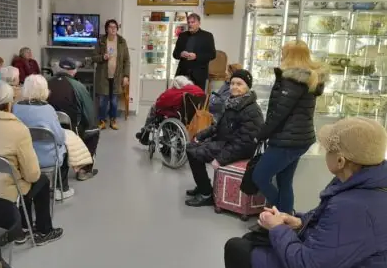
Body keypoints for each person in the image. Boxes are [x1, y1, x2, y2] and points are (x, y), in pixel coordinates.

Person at [223, 117, 387, 268]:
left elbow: (308, 267)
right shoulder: (367, 184)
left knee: (237, 248)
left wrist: (278, 228)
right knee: (255, 240)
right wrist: (299, 221)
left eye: (328, 150)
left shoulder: (352, 206)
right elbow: (333, 225)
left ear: (340, 161)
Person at [0, 81, 63, 246]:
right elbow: (32, 175)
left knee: (20, 179)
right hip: (8, 195)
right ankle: (44, 230)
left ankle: (22, 228)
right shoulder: (18, 129)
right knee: (40, 180)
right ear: (9, 103)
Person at [252, 41, 327, 214]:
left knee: (260, 176)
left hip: (286, 139)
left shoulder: (292, 80)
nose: (281, 56)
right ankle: (285, 219)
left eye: (283, 52)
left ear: (290, 55)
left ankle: (282, 215)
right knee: (285, 182)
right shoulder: (309, 79)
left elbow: (278, 114)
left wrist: (261, 134)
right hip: (301, 138)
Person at [185, 69, 263, 207]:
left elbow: (244, 142)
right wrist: (200, 136)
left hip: (239, 148)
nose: (234, 87)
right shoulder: (232, 102)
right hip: (225, 142)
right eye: (232, 83)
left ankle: (206, 193)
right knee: (191, 146)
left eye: (239, 84)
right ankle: (202, 185)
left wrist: (221, 159)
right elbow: (217, 126)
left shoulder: (252, 110)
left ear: (248, 87)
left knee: (195, 154)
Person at [12, 75, 73, 201]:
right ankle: (61, 189)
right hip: (47, 159)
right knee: (66, 148)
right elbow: (60, 138)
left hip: (23, 158)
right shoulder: (48, 110)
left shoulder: (16, 108)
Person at [47, 58, 99, 180]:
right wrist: (92, 125)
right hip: (71, 130)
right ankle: (84, 170)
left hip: (49, 129)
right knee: (93, 132)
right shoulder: (78, 86)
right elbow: (89, 112)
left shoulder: (46, 83)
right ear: (74, 71)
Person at [135, 76, 205, 145]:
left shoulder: (173, 92)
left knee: (154, 108)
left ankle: (145, 133)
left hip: (179, 118)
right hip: (195, 118)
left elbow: (159, 103)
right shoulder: (198, 90)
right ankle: (145, 133)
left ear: (175, 84)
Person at [92, 19, 131, 130]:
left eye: (115, 27)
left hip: (117, 77)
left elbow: (127, 60)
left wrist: (126, 76)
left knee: (114, 101)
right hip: (103, 77)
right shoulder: (101, 41)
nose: (113, 29)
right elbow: (93, 57)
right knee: (103, 101)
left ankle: (113, 120)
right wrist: (102, 57)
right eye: (111, 27)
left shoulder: (122, 41)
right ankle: (102, 121)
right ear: (107, 29)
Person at [172, 13, 216, 90]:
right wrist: (181, 54)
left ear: (199, 23)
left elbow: (212, 55)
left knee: (197, 96)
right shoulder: (182, 35)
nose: (190, 24)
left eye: (192, 22)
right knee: (179, 96)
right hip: (182, 73)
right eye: (189, 22)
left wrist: (196, 56)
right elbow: (175, 54)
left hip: (199, 75)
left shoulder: (207, 36)